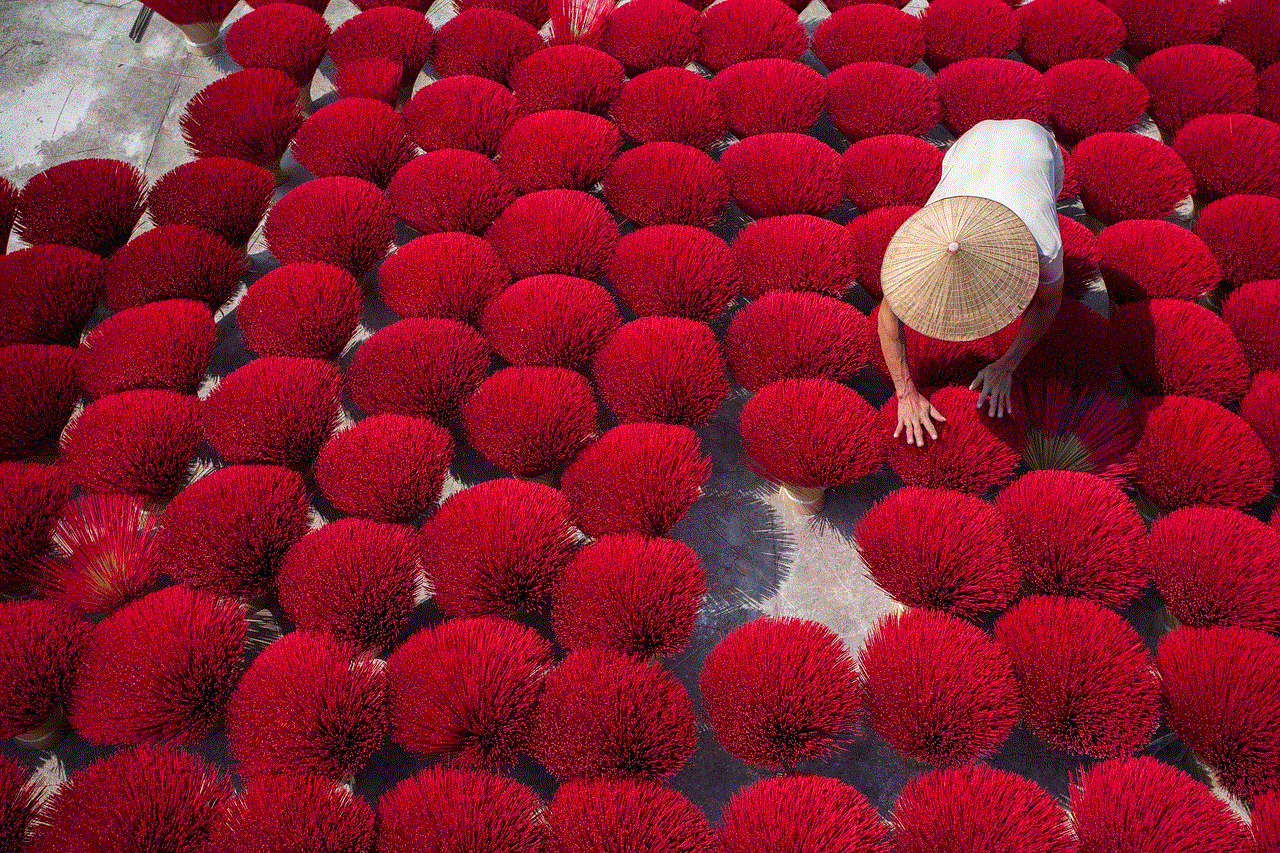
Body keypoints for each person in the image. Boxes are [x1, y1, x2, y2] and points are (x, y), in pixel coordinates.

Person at [877, 119, 1065, 446]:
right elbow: (887, 316)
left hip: (1034, 144)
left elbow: (1049, 303)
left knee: (1044, 197)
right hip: (972, 142)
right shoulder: (916, 243)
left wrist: (1007, 364)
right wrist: (905, 393)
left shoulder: (1043, 243)